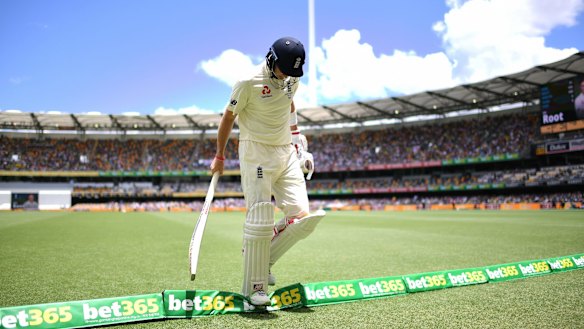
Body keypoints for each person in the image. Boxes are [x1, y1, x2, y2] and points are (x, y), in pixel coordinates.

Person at [210, 36, 326, 306]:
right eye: (284, 69)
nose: (288, 76)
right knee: (261, 216)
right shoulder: (247, 81)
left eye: (293, 73)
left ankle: (262, 256)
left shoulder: (291, 78)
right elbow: (228, 117)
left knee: (301, 218)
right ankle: (254, 287)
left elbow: (290, 104)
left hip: (285, 151)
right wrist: (219, 155)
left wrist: (298, 140)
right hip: (256, 152)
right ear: (271, 59)